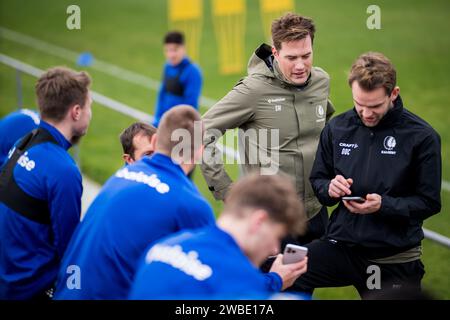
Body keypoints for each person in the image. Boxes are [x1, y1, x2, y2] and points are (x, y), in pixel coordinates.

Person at [293, 52, 441, 298]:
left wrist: (383, 205)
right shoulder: (337, 128)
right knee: (277, 268)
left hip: (393, 258)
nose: (366, 113)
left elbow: (429, 202)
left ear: (393, 94)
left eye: (375, 106)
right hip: (339, 246)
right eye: (359, 104)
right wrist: (330, 188)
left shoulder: (422, 137)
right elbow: (318, 180)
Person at [54, 105, 215, 300]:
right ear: (199, 152)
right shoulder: (191, 203)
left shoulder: (121, 176)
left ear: (155, 140)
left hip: (67, 290)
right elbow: (212, 279)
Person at [200, 13, 334, 245]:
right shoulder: (253, 91)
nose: (301, 65)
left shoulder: (320, 81)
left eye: (306, 55)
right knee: (268, 282)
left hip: (316, 214)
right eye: (291, 58)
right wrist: (225, 190)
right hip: (270, 220)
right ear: (275, 52)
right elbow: (198, 133)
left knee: (306, 280)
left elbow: (329, 122)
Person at [129, 174, 309, 299]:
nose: (274, 248)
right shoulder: (241, 282)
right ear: (258, 221)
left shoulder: (163, 245)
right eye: (277, 236)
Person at [0, 67, 93, 300]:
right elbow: (70, 252)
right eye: (89, 107)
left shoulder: (25, 141)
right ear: (76, 111)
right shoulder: (63, 170)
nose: (91, 114)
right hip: (28, 289)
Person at [152, 31, 202, 128]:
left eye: (174, 50)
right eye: (167, 50)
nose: (171, 55)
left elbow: (191, 106)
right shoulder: (167, 66)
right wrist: (157, 121)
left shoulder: (193, 71)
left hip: (181, 126)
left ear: (183, 48)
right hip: (164, 123)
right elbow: (162, 94)